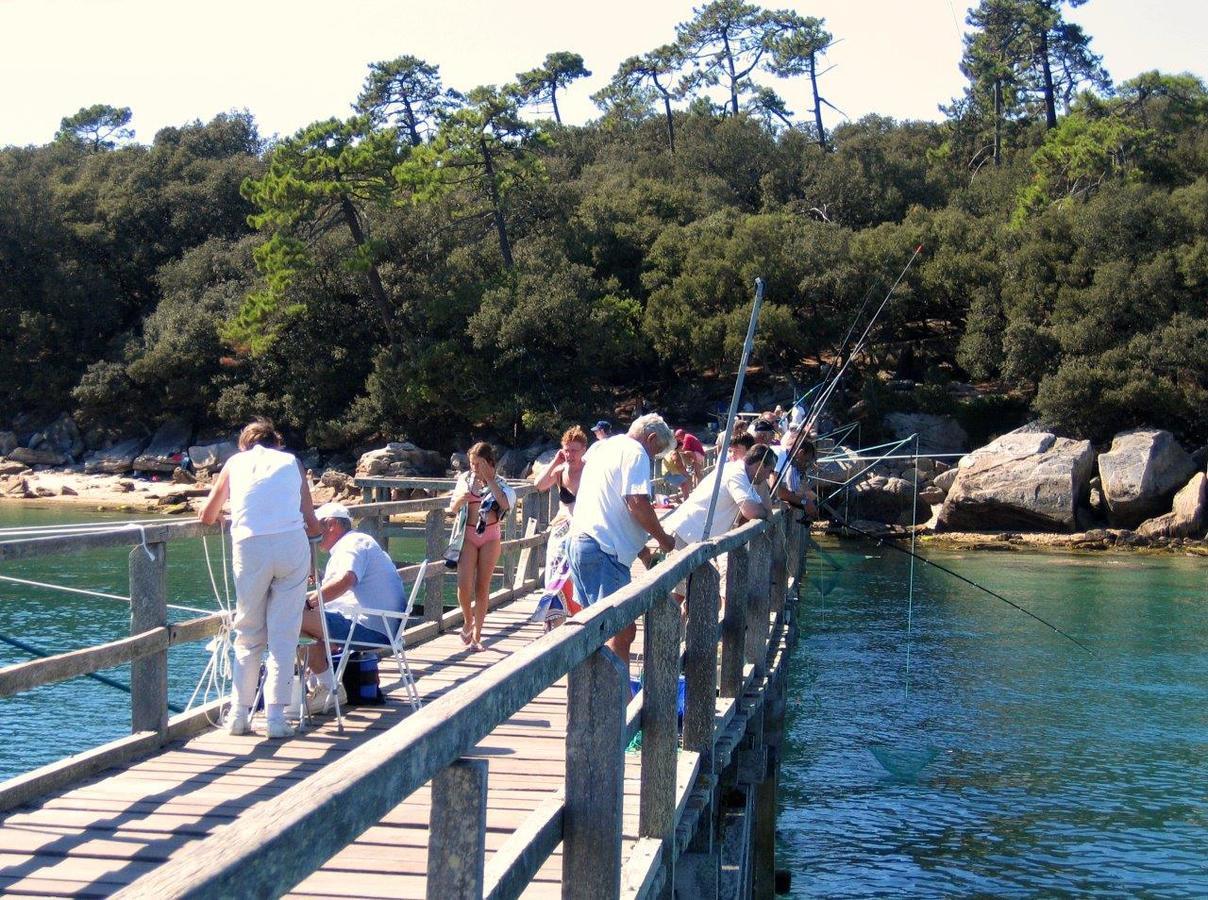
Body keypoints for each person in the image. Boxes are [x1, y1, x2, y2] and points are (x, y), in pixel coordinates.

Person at [199, 418, 319, 739]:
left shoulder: (234, 463)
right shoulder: (292, 463)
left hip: (250, 546)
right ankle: (276, 718)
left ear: (244, 444)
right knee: (283, 636)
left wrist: (228, 516)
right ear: (277, 442)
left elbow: (207, 515)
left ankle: (239, 714)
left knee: (248, 632)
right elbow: (312, 522)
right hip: (291, 546)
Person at [569, 413, 676, 668]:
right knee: (620, 631)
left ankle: (602, 699)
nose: (653, 459)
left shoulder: (602, 447)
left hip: (580, 542)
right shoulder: (637, 453)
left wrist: (643, 553)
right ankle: (619, 702)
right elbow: (637, 503)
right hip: (604, 551)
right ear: (650, 438)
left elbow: (611, 506)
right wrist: (664, 540)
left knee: (595, 629)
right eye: (656, 452)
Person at [298, 503, 408, 714]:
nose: (312, 536)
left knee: (290, 617)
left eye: (314, 530)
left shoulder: (352, 544)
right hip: (383, 626)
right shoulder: (358, 543)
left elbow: (347, 579)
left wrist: (309, 602)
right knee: (299, 622)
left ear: (331, 524)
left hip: (371, 629)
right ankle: (323, 686)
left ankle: (328, 687)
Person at [449, 442, 516, 652]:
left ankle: (478, 635)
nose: (475, 468)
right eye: (472, 464)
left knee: (482, 586)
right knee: (464, 584)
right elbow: (452, 507)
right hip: (468, 535)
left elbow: (505, 505)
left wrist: (489, 480)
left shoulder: (500, 483)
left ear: (489, 463)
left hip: (490, 535)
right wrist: (461, 499)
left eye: (479, 464)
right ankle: (468, 621)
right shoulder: (465, 480)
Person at [531, 426, 589, 630]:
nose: (570, 455)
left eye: (574, 450)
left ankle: (581, 619)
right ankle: (554, 623)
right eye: (567, 450)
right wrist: (556, 460)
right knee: (555, 576)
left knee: (578, 575)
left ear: (584, 450)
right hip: (562, 528)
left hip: (583, 529)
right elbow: (539, 484)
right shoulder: (559, 471)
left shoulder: (591, 471)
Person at [663, 444, 775, 549]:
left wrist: (765, 508)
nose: (768, 476)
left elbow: (764, 508)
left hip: (693, 539)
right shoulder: (737, 474)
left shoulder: (742, 476)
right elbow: (752, 511)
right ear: (760, 465)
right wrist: (765, 513)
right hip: (684, 535)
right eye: (769, 470)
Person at [668, 428, 707, 499]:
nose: (678, 439)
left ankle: (701, 489)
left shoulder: (686, 437)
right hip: (699, 455)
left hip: (697, 455)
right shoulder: (688, 436)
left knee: (698, 473)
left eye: (677, 437)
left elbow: (684, 449)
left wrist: (677, 452)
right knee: (696, 473)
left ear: (680, 435)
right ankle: (698, 488)